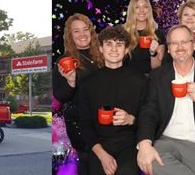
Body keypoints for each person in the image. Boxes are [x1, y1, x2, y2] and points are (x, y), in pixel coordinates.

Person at [135, 25, 195, 175]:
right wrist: (144, 143)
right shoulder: (158, 76)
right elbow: (149, 111)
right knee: (149, 159)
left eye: (184, 42)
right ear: (168, 49)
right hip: (165, 140)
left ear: (194, 45)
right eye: (174, 43)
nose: (179, 47)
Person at [74, 25, 146, 175]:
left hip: (129, 145)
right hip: (99, 145)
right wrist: (102, 155)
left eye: (119, 45)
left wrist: (131, 119)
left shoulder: (140, 81)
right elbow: (84, 125)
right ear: (100, 48)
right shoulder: (87, 83)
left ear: (126, 50)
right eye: (109, 44)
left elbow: (149, 119)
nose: (114, 49)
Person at [55, 13, 101, 153]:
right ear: (70, 35)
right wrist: (71, 82)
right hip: (80, 123)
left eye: (85, 29)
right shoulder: (64, 61)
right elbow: (61, 96)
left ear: (91, 32)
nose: (82, 34)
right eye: (76, 31)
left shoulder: (103, 54)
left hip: (103, 119)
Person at [123, 0, 164, 74]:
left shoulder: (158, 34)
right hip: (127, 80)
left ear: (149, 10)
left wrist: (153, 53)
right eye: (137, 7)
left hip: (149, 81)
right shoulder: (123, 33)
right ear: (132, 10)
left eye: (145, 7)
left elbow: (157, 67)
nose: (142, 10)